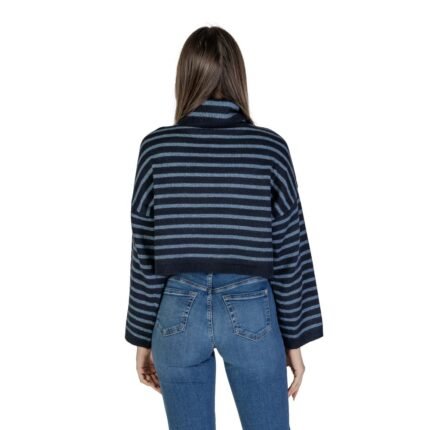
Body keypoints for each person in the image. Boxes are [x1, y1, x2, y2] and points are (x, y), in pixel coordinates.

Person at [124, 25, 324, 430]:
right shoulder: (269, 148)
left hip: (176, 311)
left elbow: (145, 251)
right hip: (252, 309)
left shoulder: (157, 148)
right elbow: (290, 250)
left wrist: (143, 335)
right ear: (238, 77)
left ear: (184, 78)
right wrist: (294, 339)